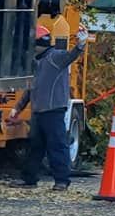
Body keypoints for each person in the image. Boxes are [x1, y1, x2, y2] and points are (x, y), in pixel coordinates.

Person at [10, 24, 88, 190]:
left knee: (57, 146)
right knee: (35, 148)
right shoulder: (37, 62)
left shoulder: (55, 57)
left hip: (53, 111)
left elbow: (71, 56)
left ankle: (61, 181)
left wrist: (81, 44)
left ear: (37, 44)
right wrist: (17, 108)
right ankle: (29, 179)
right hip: (39, 112)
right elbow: (30, 90)